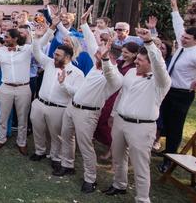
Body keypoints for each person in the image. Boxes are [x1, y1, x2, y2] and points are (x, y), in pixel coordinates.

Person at [101, 28, 171, 202]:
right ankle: (119, 185)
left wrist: (148, 42)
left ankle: (142, 199)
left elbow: (159, 65)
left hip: (142, 127)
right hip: (120, 121)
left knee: (140, 166)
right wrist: (113, 113)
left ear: (151, 63)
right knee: (118, 158)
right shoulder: (131, 72)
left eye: (140, 60)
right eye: (137, 59)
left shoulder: (160, 81)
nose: (136, 62)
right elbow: (120, 91)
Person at [58, 42, 122, 193]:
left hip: (88, 114)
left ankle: (90, 179)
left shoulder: (116, 77)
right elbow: (91, 43)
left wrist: (104, 59)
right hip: (72, 107)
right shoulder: (95, 67)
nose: (95, 55)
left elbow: (109, 73)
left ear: (110, 57)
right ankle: (67, 165)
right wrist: (85, 24)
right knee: (66, 137)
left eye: (99, 54)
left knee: (85, 146)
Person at [30, 18, 84, 169]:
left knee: (57, 135)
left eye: (58, 55)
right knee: (38, 129)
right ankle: (40, 151)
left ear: (67, 57)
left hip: (59, 108)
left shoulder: (77, 73)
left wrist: (64, 84)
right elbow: (36, 51)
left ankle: (56, 157)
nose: (54, 56)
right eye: (54, 54)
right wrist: (37, 37)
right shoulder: (48, 63)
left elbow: (77, 94)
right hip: (40, 103)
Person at [158, 0, 196, 172]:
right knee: (163, 120)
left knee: (175, 126)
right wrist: (174, 7)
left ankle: (169, 159)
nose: (182, 39)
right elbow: (178, 24)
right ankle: (164, 149)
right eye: (183, 38)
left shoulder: (195, 54)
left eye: (187, 39)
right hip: (168, 90)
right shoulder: (182, 46)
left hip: (182, 95)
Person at [0, 28, 33, 155]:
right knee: (3, 116)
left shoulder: (27, 49)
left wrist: (40, 33)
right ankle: (1, 138)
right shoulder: (0, 51)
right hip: (6, 87)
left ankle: (22, 142)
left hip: (24, 88)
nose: (5, 39)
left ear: (15, 38)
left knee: (22, 117)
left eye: (7, 37)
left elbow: (40, 45)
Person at [94, 41, 138, 160]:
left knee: (108, 123)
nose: (123, 54)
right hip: (110, 94)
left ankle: (113, 149)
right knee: (101, 120)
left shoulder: (134, 68)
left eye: (127, 52)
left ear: (134, 54)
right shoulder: (119, 62)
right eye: (123, 51)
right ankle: (111, 146)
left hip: (119, 97)